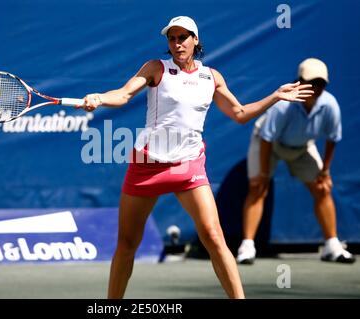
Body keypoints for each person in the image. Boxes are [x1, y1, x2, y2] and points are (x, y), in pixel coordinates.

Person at [80, 16, 313, 299]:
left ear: (195, 40)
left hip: (188, 166)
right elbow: (124, 94)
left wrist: (275, 96)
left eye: (183, 37)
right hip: (147, 166)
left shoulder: (210, 77)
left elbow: (239, 114)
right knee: (127, 243)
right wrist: (100, 98)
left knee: (215, 237)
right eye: (172, 38)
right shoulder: (156, 68)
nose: (177, 43)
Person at [236, 58, 356, 265]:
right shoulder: (283, 105)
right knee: (258, 188)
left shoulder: (330, 105)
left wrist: (325, 171)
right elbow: (267, 138)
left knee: (322, 188)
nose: (316, 88)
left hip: (302, 148)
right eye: (311, 83)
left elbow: (332, 139)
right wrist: (263, 174)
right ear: (299, 82)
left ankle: (331, 246)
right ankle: (247, 246)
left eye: (321, 84)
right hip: (268, 144)